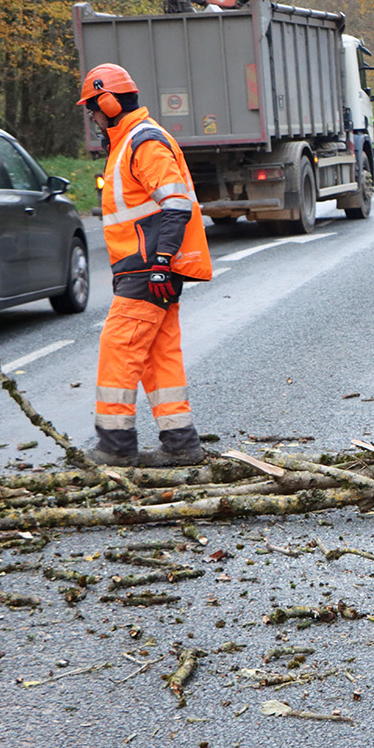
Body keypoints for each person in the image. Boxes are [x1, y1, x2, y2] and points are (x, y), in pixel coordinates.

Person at [79, 63, 214, 465]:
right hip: (144, 268)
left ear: (108, 101)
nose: (93, 118)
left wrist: (159, 261)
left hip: (147, 268)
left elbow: (175, 206)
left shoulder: (143, 142)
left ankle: (115, 447)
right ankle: (181, 444)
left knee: (119, 348)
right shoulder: (128, 142)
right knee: (158, 354)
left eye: (93, 109)